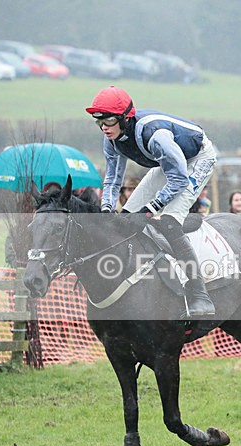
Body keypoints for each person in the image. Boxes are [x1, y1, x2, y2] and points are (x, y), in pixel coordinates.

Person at [87, 85, 217, 317]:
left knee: (168, 221)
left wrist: (150, 210)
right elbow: (112, 180)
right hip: (169, 163)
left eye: (108, 121)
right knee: (125, 218)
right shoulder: (112, 139)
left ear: (125, 119)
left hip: (196, 160)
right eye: (99, 123)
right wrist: (106, 209)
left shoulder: (155, 136)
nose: (104, 128)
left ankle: (199, 294)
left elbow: (178, 179)